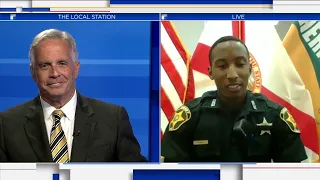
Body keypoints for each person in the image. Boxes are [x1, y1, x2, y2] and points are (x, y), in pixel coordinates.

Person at [0, 29, 147, 162]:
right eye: (45, 65)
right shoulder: (7, 124)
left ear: (76, 69)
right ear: (33, 72)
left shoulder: (113, 118)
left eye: (62, 63)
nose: (54, 74)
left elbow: (136, 174)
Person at [161, 36, 308, 162]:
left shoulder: (275, 115)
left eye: (240, 64)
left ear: (250, 70)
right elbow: (172, 172)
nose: (232, 74)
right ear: (210, 72)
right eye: (222, 66)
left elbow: (293, 172)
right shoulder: (191, 116)